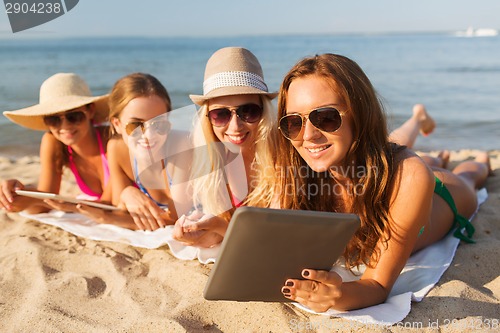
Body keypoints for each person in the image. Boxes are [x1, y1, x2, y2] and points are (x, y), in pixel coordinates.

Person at [269, 53, 491, 311]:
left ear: (360, 113)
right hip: (384, 164)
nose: (307, 135)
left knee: (466, 175)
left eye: (326, 118)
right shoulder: (294, 169)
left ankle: (483, 160)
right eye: (294, 122)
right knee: (394, 151)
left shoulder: (409, 175)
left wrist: (338, 296)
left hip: (443, 196)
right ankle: (419, 120)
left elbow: (377, 286)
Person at [172, 46, 278, 247]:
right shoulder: (213, 160)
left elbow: (270, 241)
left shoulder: (281, 157)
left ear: (264, 111)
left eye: (248, 111)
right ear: (208, 118)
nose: (235, 126)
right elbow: (225, 232)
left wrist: (218, 227)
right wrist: (195, 236)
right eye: (221, 114)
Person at [78, 72, 192, 231]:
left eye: (159, 124)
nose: (149, 135)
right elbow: (120, 207)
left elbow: (177, 218)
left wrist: (106, 218)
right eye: (136, 125)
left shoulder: (182, 146)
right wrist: (127, 192)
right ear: (117, 124)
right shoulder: (117, 148)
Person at [0, 73, 111, 214]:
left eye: (73, 116)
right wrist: (18, 194)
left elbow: (112, 206)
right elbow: (43, 204)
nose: (65, 126)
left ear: (90, 111)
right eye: (53, 119)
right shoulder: (53, 142)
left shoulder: (112, 141)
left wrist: (41, 200)